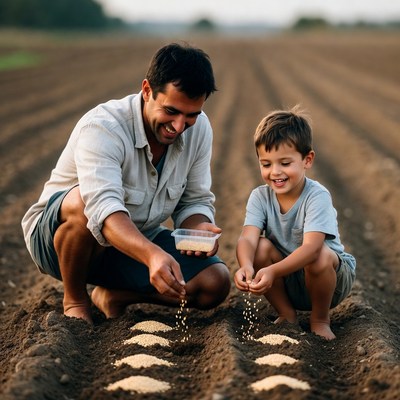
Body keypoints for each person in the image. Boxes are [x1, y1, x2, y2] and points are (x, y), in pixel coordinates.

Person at [22, 42, 230, 324]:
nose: (179, 126)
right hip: (61, 241)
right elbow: (103, 209)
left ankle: (113, 295)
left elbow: (194, 200)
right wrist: (151, 254)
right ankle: (75, 298)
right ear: (147, 91)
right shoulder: (103, 127)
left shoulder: (199, 129)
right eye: (171, 111)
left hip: (133, 239)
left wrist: (198, 227)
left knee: (214, 282)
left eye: (191, 115)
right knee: (83, 203)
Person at [234, 106, 356, 340]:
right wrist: (247, 265)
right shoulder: (260, 197)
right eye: (266, 164)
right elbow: (248, 237)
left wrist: (271, 270)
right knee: (259, 247)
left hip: (330, 279)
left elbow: (311, 249)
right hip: (287, 279)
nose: (275, 172)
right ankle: (287, 313)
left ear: (307, 160)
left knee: (320, 254)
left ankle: (320, 320)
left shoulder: (316, 196)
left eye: (285, 163)